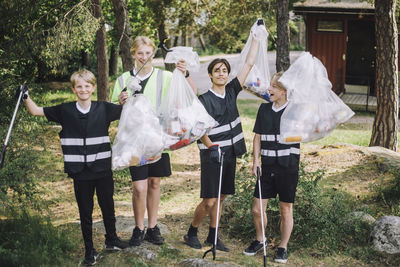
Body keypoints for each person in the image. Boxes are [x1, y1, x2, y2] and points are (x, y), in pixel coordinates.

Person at [22, 69, 128, 266]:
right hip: (80, 171)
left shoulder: (104, 108)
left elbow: (128, 111)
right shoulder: (65, 110)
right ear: (73, 89)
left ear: (93, 88)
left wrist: (125, 100)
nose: (83, 89)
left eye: (87, 86)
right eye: (79, 86)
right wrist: (25, 96)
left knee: (108, 205)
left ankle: (112, 239)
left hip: (102, 167)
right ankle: (90, 250)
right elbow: (36, 111)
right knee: (85, 212)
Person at [110, 36, 195, 247]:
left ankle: (152, 227)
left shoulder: (165, 77)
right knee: (139, 187)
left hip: (158, 140)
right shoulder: (122, 80)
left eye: (148, 53)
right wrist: (119, 103)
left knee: (154, 183)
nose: (144, 57)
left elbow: (190, 93)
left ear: (153, 54)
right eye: (140, 53)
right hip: (134, 143)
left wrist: (184, 74)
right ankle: (138, 228)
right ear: (133, 55)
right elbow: (112, 108)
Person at [183, 33, 261, 252]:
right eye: (216, 70)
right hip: (212, 154)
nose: (221, 73)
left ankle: (213, 236)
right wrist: (211, 146)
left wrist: (255, 37)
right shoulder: (204, 100)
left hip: (231, 153)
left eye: (224, 70)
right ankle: (191, 232)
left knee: (221, 197)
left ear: (228, 75)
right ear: (210, 75)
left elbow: (249, 62)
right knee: (209, 200)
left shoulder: (232, 90)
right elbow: (198, 130)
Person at [242, 71, 300, 264]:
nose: (269, 89)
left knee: (286, 209)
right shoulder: (264, 109)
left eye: (274, 87)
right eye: (270, 85)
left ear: (284, 91)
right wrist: (255, 161)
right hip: (265, 166)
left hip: (287, 166)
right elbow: (257, 136)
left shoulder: (294, 111)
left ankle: (283, 247)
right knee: (257, 209)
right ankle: (261, 239)